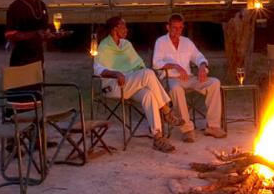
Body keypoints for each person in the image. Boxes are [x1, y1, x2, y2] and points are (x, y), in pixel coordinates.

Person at [94, 16, 183, 153]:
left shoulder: (126, 45)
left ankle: (158, 137)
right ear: (114, 29)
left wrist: (138, 75)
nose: (126, 30)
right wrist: (116, 74)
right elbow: (98, 69)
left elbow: (138, 65)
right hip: (114, 86)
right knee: (147, 73)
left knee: (149, 94)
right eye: (123, 27)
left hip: (130, 84)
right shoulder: (104, 46)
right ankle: (166, 110)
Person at [153, 13, 227, 142]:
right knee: (176, 89)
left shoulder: (187, 42)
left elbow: (198, 56)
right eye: (174, 28)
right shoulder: (161, 42)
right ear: (168, 27)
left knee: (214, 82)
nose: (178, 30)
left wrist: (202, 66)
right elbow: (156, 63)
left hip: (188, 78)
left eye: (180, 28)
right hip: (170, 79)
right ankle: (187, 129)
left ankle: (213, 126)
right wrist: (175, 65)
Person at [5, 0, 52, 68]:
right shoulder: (16, 7)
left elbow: (44, 29)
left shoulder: (42, 6)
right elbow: (10, 34)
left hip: (38, 58)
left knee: (38, 83)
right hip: (21, 59)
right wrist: (34, 34)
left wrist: (48, 34)